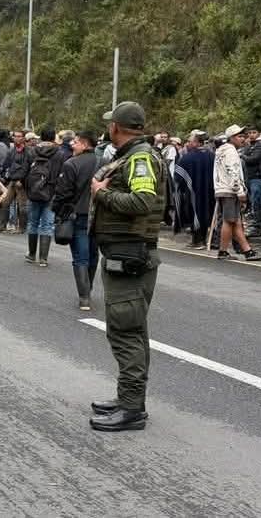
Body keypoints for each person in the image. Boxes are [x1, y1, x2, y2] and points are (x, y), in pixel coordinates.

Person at [89, 101, 165, 432]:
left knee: (126, 331)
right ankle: (128, 399)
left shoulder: (139, 157)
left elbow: (142, 201)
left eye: (111, 124)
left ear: (116, 127)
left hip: (131, 256)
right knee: (131, 329)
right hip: (127, 254)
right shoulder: (134, 155)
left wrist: (101, 195)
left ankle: (132, 408)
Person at [52, 131, 98, 310]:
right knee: (93, 253)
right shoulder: (103, 162)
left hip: (77, 214)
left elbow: (63, 193)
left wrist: (57, 211)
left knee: (80, 256)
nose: (72, 144)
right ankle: (89, 289)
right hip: (97, 215)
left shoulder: (71, 164)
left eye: (76, 142)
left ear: (85, 144)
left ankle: (84, 296)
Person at [214, 125, 261, 261]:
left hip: (223, 188)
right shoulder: (231, 151)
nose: (242, 139)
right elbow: (233, 172)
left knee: (236, 221)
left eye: (243, 136)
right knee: (229, 220)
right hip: (230, 190)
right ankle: (223, 251)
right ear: (231, 138)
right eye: (239, 136)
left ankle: (247, 251)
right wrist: (240, 191)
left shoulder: (221, 150)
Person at [24, 129, 64, 267]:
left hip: (34, 192)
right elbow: (62, 174)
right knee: (47, 225)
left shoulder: (32, 151)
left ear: (41, 137)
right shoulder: (59, 153)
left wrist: (28, 189)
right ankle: (43, 258)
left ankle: (31, 254)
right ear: (54, 138)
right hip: (51, 192)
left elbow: (25, 172)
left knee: (33, 223)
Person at [175, 132, 214, 248]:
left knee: (195, 213)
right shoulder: (212, 156)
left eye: (190, 141)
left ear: (197, 142)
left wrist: (180, 189)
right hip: (210, 191)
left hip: (192, 191)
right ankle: (203, 239)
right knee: (207, 212)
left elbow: (178, 177)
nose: (188, 144)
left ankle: (198, 240)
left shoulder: (187, 157)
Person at [0, 129, 31, 233]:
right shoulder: (12, 150)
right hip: (13, 180)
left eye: (19, 136)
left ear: (24, 138)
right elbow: (6, 164)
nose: (17, 138)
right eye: (15, 136)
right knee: (5, 203)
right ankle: (2, 226)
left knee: (22, 206)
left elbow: (27, 167)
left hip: (21, 182)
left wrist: (22, 180)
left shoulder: (28, 151)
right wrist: (3, 173)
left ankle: (21, 228)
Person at [241, 127, 261, 237]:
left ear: (259, 133)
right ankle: (256, 226)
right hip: (249, 177)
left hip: (259, 178)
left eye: (254, 132)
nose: (252, 135)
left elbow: (253, 159)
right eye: (249, 133)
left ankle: (258, 225)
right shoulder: (248, 146)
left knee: (257, 201)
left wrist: (243, 155)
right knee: (252, 202)